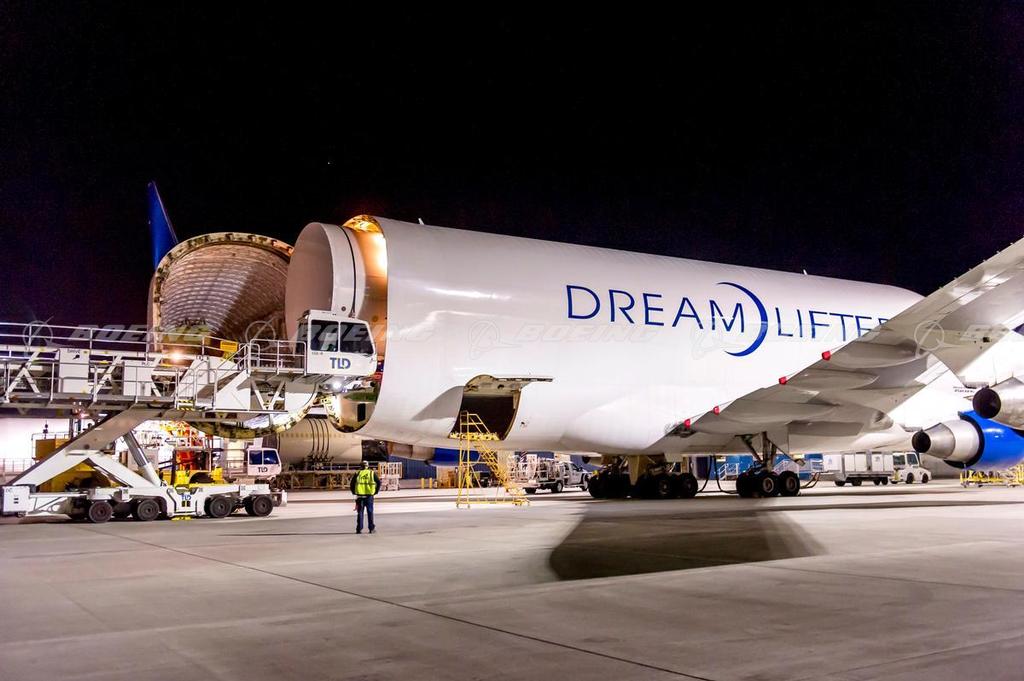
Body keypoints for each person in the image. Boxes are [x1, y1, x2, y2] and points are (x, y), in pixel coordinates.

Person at [350, 461, 380, 534]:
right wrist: (376, 491)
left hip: (360, 496)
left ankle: (359, 529)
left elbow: (352, 484)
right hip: (369, 496)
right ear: (368, 466)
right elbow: (378, 482)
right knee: (370, 512)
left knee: (360, 512)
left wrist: (354, 492)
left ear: (361, 466)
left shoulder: (358, 473)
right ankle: (371, 529)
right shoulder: (371, 473)